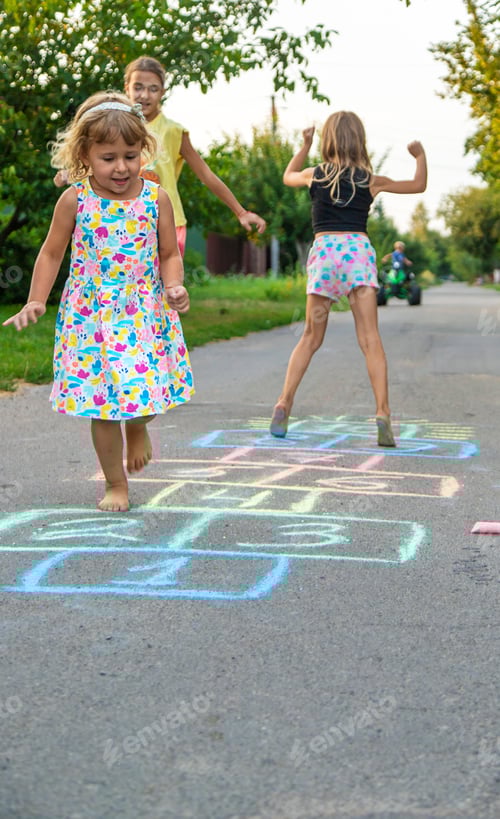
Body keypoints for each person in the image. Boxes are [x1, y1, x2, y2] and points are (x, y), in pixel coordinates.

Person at [3, 91, 193, 512]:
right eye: (108, 157)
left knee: (147, 392)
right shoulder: (76, 199)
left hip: (143, 311)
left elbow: (169, 253)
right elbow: (52, 252)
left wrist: (175, 285)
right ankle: (116, 483)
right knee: (104, 408)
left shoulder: (154, 199)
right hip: (91, 319)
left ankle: (140, 426)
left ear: (143, 150)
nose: (121, 167)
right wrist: (36, 300)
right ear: (85, 153)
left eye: (130, 155)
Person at [269, 111, 427, 446]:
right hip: (357, 253)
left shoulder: (316, 175)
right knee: (370, 339)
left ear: (328, 140)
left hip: (325, 253)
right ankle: (383, 411)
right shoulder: (370, 179)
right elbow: (418, 185)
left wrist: (304, 145)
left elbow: (287, 176)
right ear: (360, 140)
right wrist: (420, 156)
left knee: (311, 337)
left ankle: (284, 402)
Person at [123, 56, 266, 256]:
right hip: (122, 220)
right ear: (126, 88)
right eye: (138, 87)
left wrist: (241, 212)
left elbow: (206, 174)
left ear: (162, 93)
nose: (144, 95)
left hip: (167, 222)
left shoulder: (173, 131)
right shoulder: (117, 128)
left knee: (168, 286)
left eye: (153, 89)